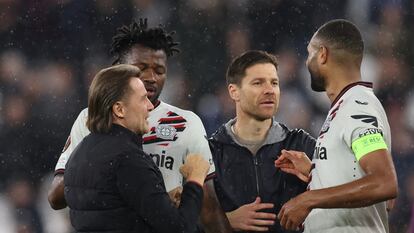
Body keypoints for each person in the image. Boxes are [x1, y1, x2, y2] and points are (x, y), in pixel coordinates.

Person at [48, 19, 231, 232]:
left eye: (159, 70)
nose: (151, 77)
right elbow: (57, 196)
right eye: (141, 68)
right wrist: (148, 198)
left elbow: (208, 208)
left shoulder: (186, 123)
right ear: (120, 69)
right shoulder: (90, 119)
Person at [275, 19, 398, 232]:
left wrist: (309, 199)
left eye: (309, 53)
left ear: (322, 54)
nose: (306, 62)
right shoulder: (344, 106)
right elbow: (357, 170)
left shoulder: (357, 107)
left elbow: (384, 182)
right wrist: (318, 171)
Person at [64, 64, 210, 232]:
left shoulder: (78, 153)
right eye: (142, 99)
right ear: (119, 109)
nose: (149, 106)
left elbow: (113, 210)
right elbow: (180, 228)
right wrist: (195, 180)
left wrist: (163, 202)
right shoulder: (128, 159)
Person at [209, 50, 316, 232]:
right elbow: (181, 218)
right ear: (234, 92)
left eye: (274, 83)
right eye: (258, 83)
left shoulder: (301, 145)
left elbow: (343, 193)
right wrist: (223, 220)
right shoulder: (211, 152)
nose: (269, 90)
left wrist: (315, 176)